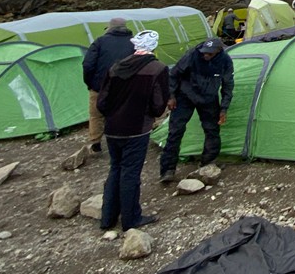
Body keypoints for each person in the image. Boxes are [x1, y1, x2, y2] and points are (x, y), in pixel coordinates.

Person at [96, 30, 169, 231]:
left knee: (115, 168)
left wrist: (113, 114)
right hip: (137, 128)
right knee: (130, 173)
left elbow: (102, 102)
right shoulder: (157, 69)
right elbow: (158, 104)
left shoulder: (116, 67)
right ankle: (131, 218)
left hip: (112, 128)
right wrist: (150, 114)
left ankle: (107, 218)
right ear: (153, 46)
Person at [159, 37, 234, 184]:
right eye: (204, 52)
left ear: (218, 51)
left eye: (209, 53)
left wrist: (224, 108)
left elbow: (228, 85)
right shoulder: (192, 54)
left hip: (208, 98)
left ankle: (208, 162)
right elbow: (173, 74)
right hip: (185, 96)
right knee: (175, 131)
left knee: (212, 129)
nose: (205, 55)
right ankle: (168, 169)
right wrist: (171, 96)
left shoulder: (225, 61)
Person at [82, 17, 135, 153]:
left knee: (96, 114)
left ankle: (96, 141)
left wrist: (91, 83)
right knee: (124, 111)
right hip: (125, 86)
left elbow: (88, 65)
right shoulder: (134, 42)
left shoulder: (100, 41)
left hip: (100, 86)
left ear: (109, 28)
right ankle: (125, 137)